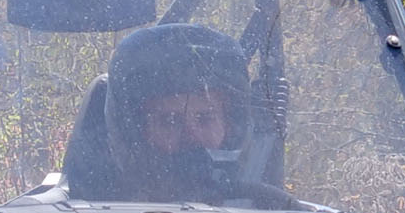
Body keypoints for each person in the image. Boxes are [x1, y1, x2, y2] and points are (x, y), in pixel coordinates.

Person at [65, 23, 265, 203]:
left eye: (205, 119)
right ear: (136, 131)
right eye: (169, 121)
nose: (191, 137)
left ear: (229, 127)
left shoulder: (266, 211)